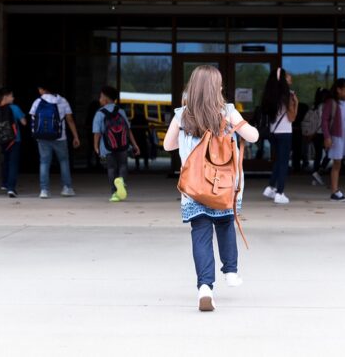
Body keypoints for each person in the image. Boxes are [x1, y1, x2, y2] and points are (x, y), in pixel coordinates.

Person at [163, 65, 259, 312]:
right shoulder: (228, 112)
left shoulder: (182, 115)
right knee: (226, 224)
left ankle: (205, 287)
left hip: (194, 187)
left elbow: (167, 146)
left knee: (201, 234)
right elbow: (253, 136)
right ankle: (230, 270)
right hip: (224, 185)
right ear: (216, 88)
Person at [30, 83, 81, 199]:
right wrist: (76, 136)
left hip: (42, 137)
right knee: (63, 161)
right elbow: (70, 120)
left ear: (43, 89)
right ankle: (67, 188)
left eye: (39, 88)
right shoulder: (62, 101)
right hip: (60, 136)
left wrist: (35, 134)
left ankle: (44, 190)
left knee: (44, 162)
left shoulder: (37, 101)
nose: (39, 91)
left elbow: (33, 118)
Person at [92, 86, 141, 202]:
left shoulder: (100, 113)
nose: (100, 99)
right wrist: (135, 145)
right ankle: (121, 182)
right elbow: (128, 130)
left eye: (100, 97)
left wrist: (96, 146)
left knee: (111, 168)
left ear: (105, 99)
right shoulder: (120, 111)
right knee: (123, 165)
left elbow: (97, 133)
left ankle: (114, 193)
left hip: (108, 146)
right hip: (123, 145)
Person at [260, 68, 298, 205]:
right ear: (282, 79)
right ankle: (280, 193)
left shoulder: (271, 95)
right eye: (288, 77)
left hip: (273, 132)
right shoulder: (287, 95)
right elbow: (292, 117)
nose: (290, 78)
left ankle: (270, 187)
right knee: (283, 163)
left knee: (278, 161)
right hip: (285, 132)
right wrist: (296, 103)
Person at [0, 87, 27, 198]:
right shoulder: (15, 108)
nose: (13, 98)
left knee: (6, 161)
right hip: (15, 140)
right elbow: (24, 122)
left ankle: (4, 183)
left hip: (3, 141)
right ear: (5, 97)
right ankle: (11, 188)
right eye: (11, 96)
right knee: (13, 163)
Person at [307, 88, 330, 185]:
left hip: (315, 134)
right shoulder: (324, 106)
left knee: (318, 155)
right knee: (330, 153)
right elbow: (323, 121)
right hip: (322, 133)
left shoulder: (314, 107)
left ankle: (315, 176)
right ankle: (319, 171)